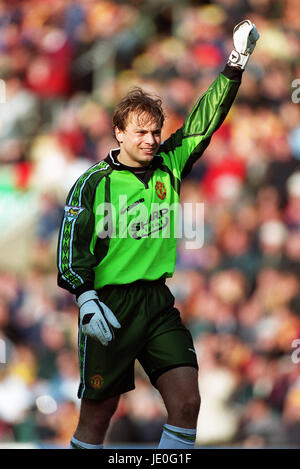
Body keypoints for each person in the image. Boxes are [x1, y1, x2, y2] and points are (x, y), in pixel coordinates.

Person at [57, 20, 259, 449]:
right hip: (109, 308)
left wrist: (235, 65)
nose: (151, 140)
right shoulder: (94, 182)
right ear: (118, 133)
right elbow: (70, 248)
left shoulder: (170, 162)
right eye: (140, 132)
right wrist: (86, 298)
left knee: (187, 402)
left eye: (155, 131)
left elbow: (206, 120)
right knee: (98, 416)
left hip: (156, 302)